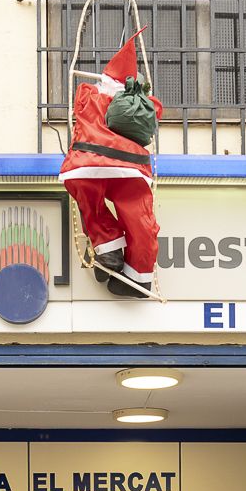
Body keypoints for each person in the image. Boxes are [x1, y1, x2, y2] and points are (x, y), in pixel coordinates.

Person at [59, 28, 163, 298]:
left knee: (87, 194)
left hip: (90, 160)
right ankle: (139, 275)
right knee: (139, 217)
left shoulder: (88, 94)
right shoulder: (147, 104)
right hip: (133, 167)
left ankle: (108, 247)